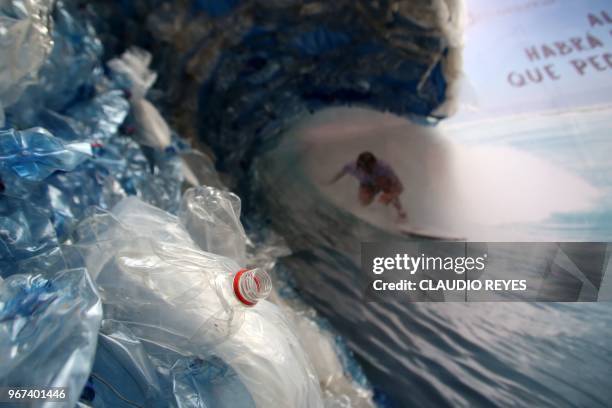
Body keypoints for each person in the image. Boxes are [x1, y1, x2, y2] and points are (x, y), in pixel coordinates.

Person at [329, 151, 406, 219]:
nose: (369, 170)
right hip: (368, 184)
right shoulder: (352, 167)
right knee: (364, 200)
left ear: (375, 163)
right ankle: (370, 211)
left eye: (372, 167)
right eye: (366, 167)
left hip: (384, 184)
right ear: (360, 166)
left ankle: (401, 214)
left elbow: (399, 188)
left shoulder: (384, 167)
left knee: (384, 185)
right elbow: (340, 174)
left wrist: (390, 195)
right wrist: (330, 182)